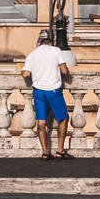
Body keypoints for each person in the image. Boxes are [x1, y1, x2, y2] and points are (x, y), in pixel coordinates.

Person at [21, 30, 72, 159]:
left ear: (39, 42)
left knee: (41, 122)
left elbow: (26, 74)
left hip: (38, 91)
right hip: (53, 90)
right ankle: (60, 150)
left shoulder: (32, 55)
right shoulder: (56, 51)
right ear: (51, 42)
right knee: (63, 118)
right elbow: (64, 71)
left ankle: (45, 152)